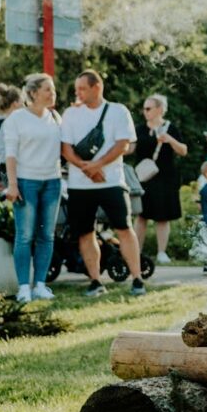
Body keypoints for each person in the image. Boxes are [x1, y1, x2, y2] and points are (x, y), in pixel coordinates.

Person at [60, 70, 145, 297]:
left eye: (82, 89)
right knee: (85, 233)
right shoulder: (70, 114)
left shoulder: (118, 111)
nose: (77, 93)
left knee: (124, 228)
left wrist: (97, 165)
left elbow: (122, 145)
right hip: (80, 185)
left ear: (97, 87)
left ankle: (137, 278)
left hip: (112, 182)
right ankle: (95, 280)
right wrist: (87, 169)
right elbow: (65, 148)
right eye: (77, 89)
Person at [3, 74, 62, 303]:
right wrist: (13, 185)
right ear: (34, 93)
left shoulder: (55, 117)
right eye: (48, 89)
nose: (53, 93)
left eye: (53, 89)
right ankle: (23, 287)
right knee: (25, 235)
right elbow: (10, 155)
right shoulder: (16, 119)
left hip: (52, 182)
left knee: (46, 235)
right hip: (26, 182)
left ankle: (40, 285)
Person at [132, 94, 187, 264]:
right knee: (141, 215)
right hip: (143, 177)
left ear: (160, 109)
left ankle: (161, 252)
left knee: (163, 217)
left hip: (165, 178)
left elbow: (183, 151)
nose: (145, 112)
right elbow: (130, 148)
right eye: (144, 108)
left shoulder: (170, 128)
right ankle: (136, 252)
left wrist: (169, 139)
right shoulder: (139, 129)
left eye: (149, 108)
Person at [0, 84, 24, 165]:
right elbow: (5, 154)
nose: (23, 106)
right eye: (22, 102)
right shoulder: (6, 124)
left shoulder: (0, 123)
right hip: (11, 169)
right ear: (15, 103)